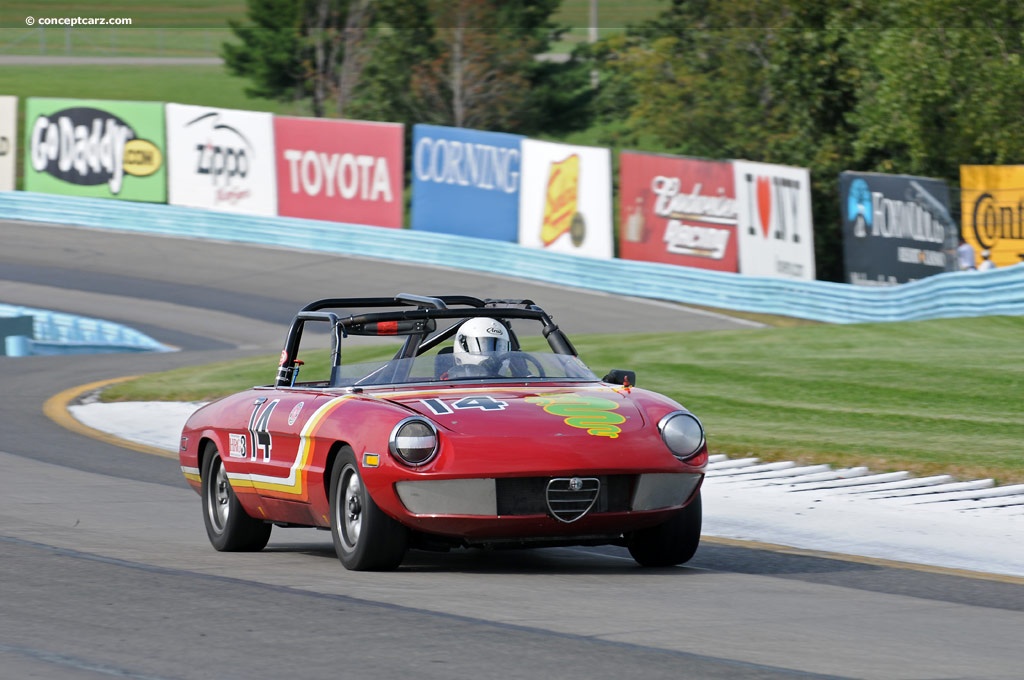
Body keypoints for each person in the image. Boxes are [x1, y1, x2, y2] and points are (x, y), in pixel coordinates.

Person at [446, 317, 512, 378]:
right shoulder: (446, 384)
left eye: (500, 347)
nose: (492, 358)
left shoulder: (510, 385)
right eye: (485, 345)